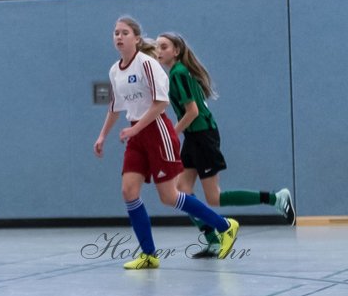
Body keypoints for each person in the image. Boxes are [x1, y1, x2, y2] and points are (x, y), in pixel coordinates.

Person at [93, 16, 239, 268]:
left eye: (124, 32)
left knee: (170, 196)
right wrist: (103, 135)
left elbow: (161, 103)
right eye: (115, 32)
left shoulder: (148, 64)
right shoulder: (115, 70)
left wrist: (136, 128)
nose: (118, 36)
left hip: (157, 131)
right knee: (129, 191)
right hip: (135, 135)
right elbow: (115, 106)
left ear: (136, 39)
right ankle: (149, 254)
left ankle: (225, 225)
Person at [154, 31, 294, 257]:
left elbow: (192, 112)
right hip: (194, 136)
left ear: (176, 51)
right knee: (182, 191)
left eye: (164, 47)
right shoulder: (177, 73)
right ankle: (213, 239)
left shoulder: (178, 73)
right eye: (157, 47)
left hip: (203, 135)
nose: (159, 51)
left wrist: (172, 134)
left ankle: (276, 198)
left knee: (213, 198)